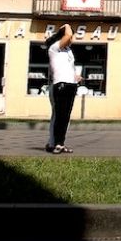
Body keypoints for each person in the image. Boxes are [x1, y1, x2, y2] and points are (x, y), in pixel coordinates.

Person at [42, 24, 80, 153]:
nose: (72, 38)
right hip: (60, 84)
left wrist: (75, 76)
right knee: (60, 114)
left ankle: (60, 143)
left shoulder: (68, 50)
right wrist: (67, 26)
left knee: (66, 116)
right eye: (71, 35)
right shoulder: (55, 47)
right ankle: (55, 143)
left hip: (71, 84)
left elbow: (67, 66)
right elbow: (68, 34)